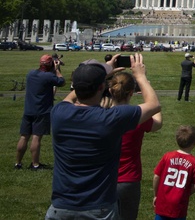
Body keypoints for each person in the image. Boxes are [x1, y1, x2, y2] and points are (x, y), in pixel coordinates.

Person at [47, 55, 160, 219]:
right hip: (98, 208)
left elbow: (73, 95)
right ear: (101, 87)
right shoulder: (111, 119)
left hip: (61, 206)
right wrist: (140, 76)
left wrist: (101, 72)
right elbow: (154, 105)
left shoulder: (58, 113)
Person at [110, 71, 164, 220]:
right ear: (132, 93)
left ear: (110, 91)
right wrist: (149, 92)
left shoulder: (99, 115)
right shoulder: (136, 116)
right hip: (129, 179)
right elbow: (157, 123)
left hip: (104, 178)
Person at [15, 54, 65, 171]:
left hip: (28, 109)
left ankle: (18, 163)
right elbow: (61, 81)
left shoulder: (31, 74)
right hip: (42, 111)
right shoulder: (48, 77)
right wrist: (57, 69)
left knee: (24, 137)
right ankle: (35, 164)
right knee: (36, 137)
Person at [153, 125, 195, 220]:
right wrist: (186, 193)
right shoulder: (194, 162)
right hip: (179, 205)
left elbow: (156, 176)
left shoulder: (167, 156)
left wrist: (156, 195)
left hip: (162, 201)